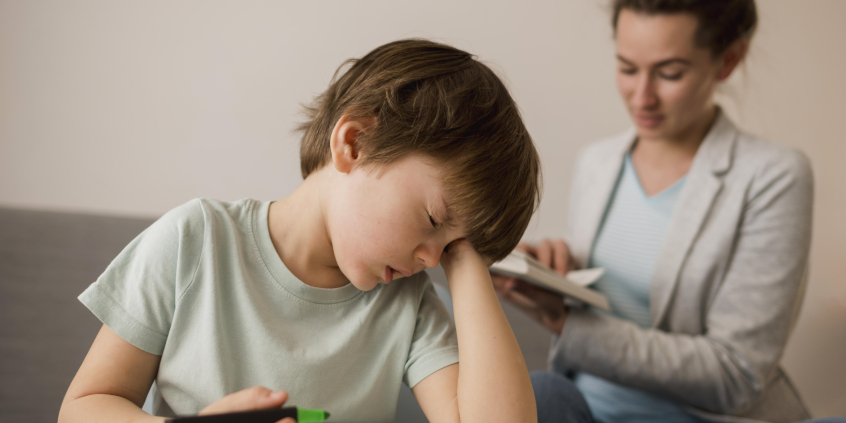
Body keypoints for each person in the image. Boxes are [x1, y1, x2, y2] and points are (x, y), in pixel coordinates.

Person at [58, 39, 541, 423]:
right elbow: (84, 405)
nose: (431, 260)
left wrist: (466, 260)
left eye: (449, 249)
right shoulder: (195, 241)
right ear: (354, 143)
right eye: (434, 221)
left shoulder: (408, 302)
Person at [491, 1, 827, 422]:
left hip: (698, 415)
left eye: (670, 73)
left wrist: (568, 324)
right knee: (535, 394)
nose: (642, 96)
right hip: (586, 408)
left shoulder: (772, 177)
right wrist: (561, 273)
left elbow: (736, 373)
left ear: (728, 61)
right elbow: (607, 292)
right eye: (627, 68)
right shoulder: (597, 163)